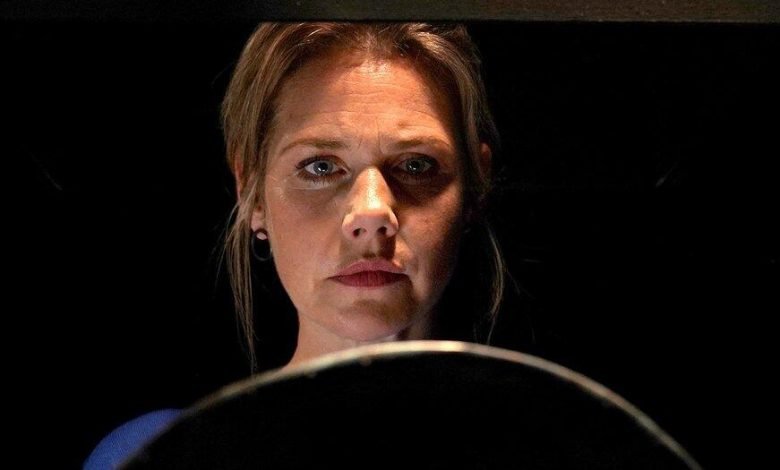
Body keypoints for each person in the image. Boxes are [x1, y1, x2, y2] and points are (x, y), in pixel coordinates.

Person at [83, 21, 505, 469]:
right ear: (251, 193)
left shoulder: (550, 444)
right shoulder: (158, 456)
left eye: (416, 165)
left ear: (475, 186)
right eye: (320, 166)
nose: (371, 213)